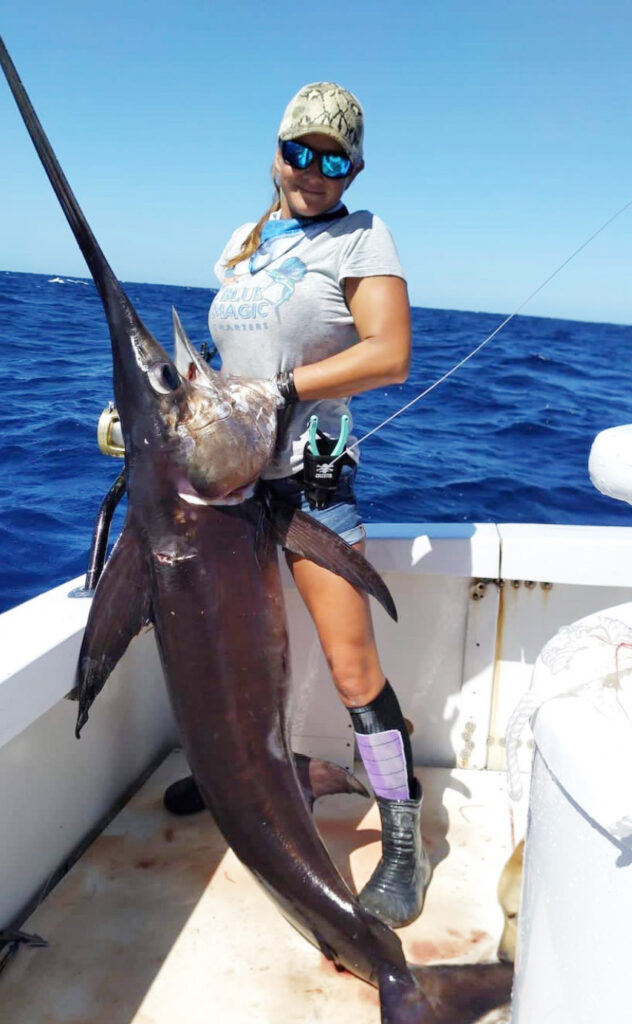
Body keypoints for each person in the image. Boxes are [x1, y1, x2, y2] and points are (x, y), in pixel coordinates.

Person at [164, 82, 430, 929]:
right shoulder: (244, 244)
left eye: (334, 159)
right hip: (231, 491)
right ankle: (249, 776)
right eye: (301, 152)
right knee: (236, 654)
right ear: (277, 152)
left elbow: (390, 356)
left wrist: (281, 390)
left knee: (354, 670)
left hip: (309, 486)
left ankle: (402, 832)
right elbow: (234, 354)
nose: (315, 172)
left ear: (353, 167)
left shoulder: (361, 235)